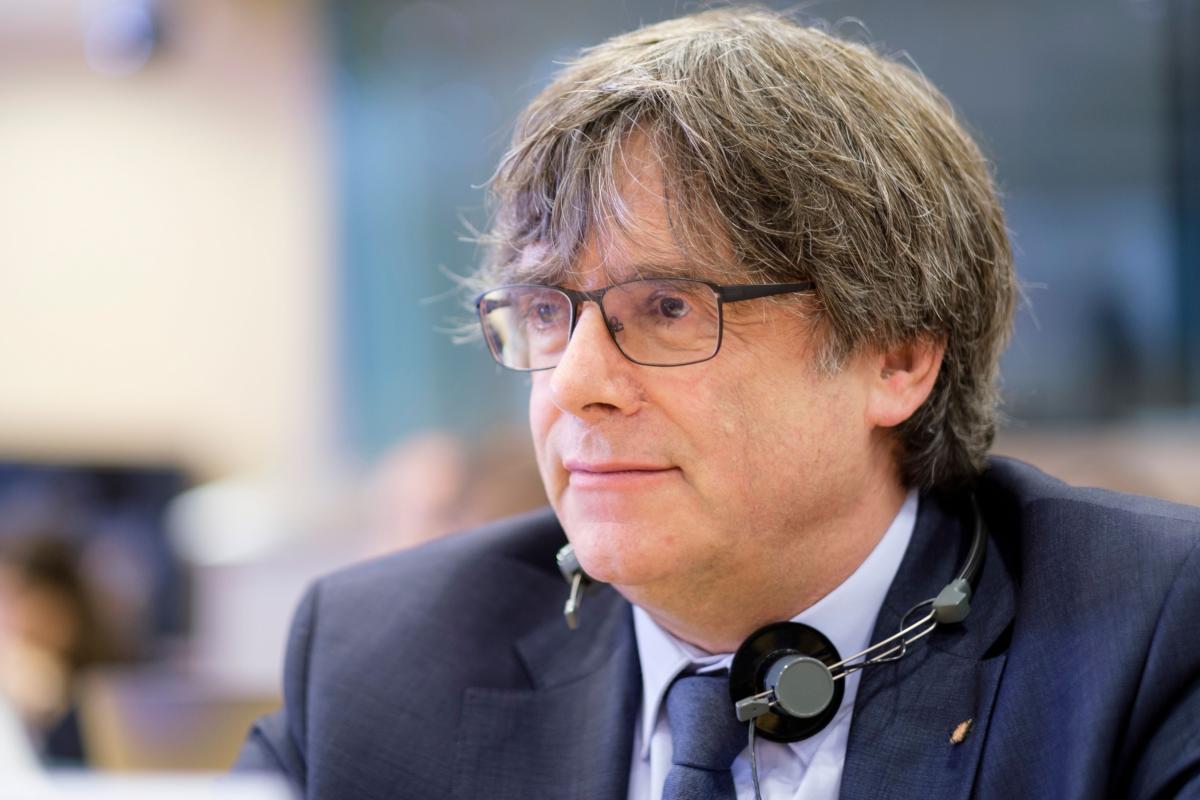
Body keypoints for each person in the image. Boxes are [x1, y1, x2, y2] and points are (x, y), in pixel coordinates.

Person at [236, 9, 1200, 799]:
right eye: (546, 312)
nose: (573, 384)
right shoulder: (381, 659)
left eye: (667, 308)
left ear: (898, 357)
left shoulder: (1150, 634)